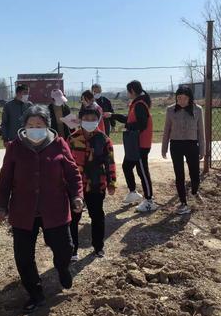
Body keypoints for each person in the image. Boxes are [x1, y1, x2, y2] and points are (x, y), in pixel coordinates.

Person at [0, 105, 84, 313]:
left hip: (55, 208)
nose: (35, 128)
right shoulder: (15, 147)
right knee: (23, 257)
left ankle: (62, 268)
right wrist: (0, 205)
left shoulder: (59, 144)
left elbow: (72, 175)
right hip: (23, 211)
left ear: (47, 126)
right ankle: (35, 293)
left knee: (64, 249)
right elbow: (5, 178)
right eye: (31, 125)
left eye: (39, 125)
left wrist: (77, 196)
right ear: (24, 126)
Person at [68, 106, 116, 260]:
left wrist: (111, 182)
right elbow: (66, 164)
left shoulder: (104, 139)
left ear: (98, 120)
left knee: (97, 216)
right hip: (77, 186)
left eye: (93, 119)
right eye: (86, 119)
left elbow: (110, 162)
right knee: (74, 218)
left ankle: (98, 247)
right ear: (80, 120)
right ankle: (73, 249)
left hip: (97, 183)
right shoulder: (72, 139)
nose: (89, 122)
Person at [111, 80, 158, 213]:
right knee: (127, 166)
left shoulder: (139, 105)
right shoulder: (136, 104)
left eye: (128, 91)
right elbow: (129, 119)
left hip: (141, 144)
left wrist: (125, 127)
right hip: (135, 144)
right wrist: (113, 115)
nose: (127, 93)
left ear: (132, 91)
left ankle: (149, 200)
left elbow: (141, 124)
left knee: (142, 171)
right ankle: (133, 192)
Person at [162, 86, 205, 215]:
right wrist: (164, 148)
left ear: (190, 98)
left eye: (184, 98)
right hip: (176, 145)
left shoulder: (198, 110)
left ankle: (194, 191)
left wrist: (202, 149)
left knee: (195, 173)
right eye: (179, 98)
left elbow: (201, 132)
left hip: (192, 145)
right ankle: (183, 202)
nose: (181, 101)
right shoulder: (170, 110)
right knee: (179, 174)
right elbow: (167, 130)